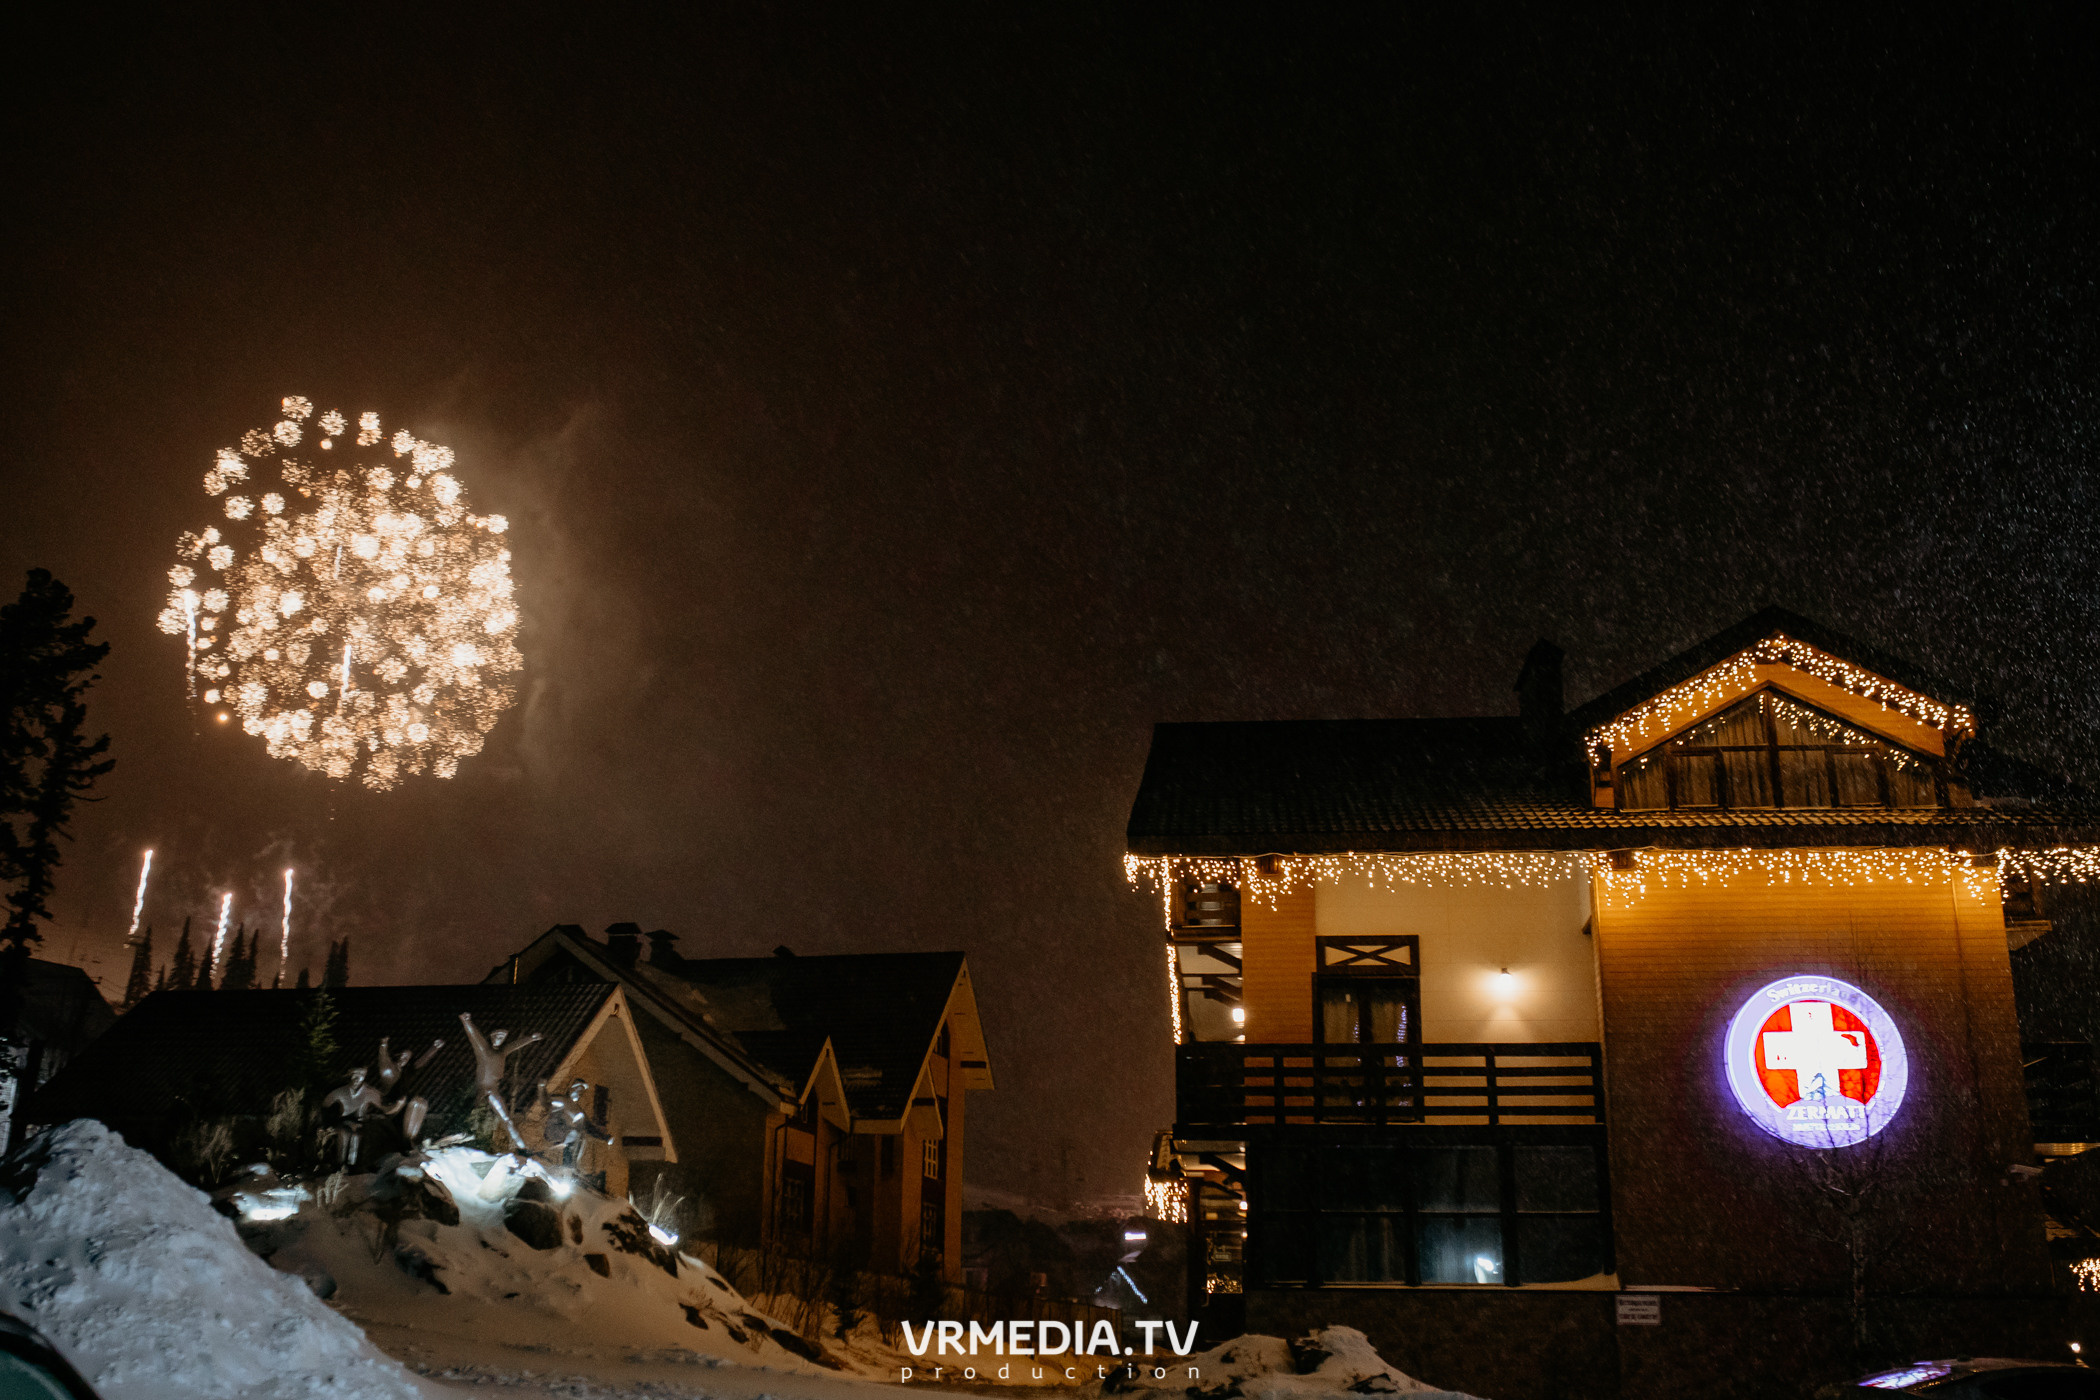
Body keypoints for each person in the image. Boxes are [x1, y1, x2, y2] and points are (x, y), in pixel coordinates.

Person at [458, 1012, 542, 1152]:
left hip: (493, 1090)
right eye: (497, 1036)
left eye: (502, 1037)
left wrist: (531, 1039)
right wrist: (467, 1022)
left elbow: (515, 1045)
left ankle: (521, 1146)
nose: (499, 1039)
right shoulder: (484, 1050)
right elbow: (475, 1037)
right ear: (491, 1036)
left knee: (506, 1119)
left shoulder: (502, 1052)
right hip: (481, 1090)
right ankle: (467, 1140)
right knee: (474, 1117)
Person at [320, 1066, 385, 1169]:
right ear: (350, 1075)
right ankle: (339, 1166)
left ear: (365, 1076)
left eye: (361, 1075)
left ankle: (354, 1167)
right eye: (354, 1074)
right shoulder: (340, 1091)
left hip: (361, 1123)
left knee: (357, 1136)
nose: (357, 1078)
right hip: (342, 1122)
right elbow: (325, 1106)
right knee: (343, 1134)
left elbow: (384, 1108)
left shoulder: (370, 1093)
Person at [541, 1078, 611, 1169]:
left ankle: (571, 1164)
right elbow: (545, 1101)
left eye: (581, 1091)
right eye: (577, 1089)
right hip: (555, 1130)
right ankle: (568, 1163)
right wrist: (541, 1088)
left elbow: (589, 1128)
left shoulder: (578, 1110)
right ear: (571, 1089)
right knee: (575, 1131)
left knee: (580, 1132)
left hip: (567, 1136)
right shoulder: (562, 1101)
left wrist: (604, 1137)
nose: (579, 1093)